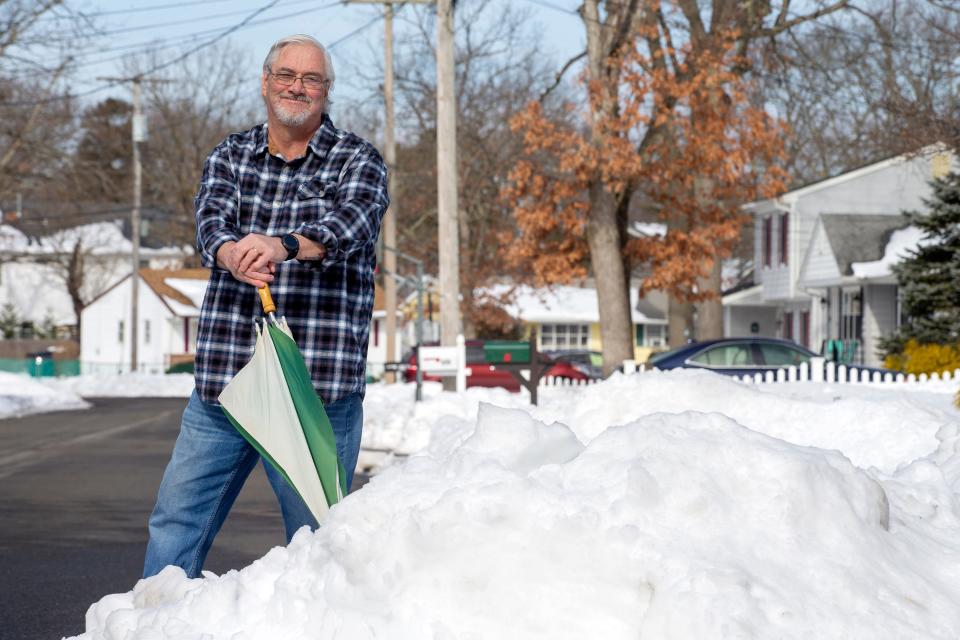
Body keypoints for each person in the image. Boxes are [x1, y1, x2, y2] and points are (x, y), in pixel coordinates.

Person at [143, 34, 388, 579]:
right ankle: (152, 624)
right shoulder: (229, 155)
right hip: (226, 385)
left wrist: (284, 245)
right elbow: (211, 222)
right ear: (266, 81)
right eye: (286, 75)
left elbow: (352, 225)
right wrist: (232, 254)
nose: (297, 87)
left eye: (312, 79)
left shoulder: (358, 160)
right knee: (176, 522)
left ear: (326, 91)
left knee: (318, 541)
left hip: (314, 391)